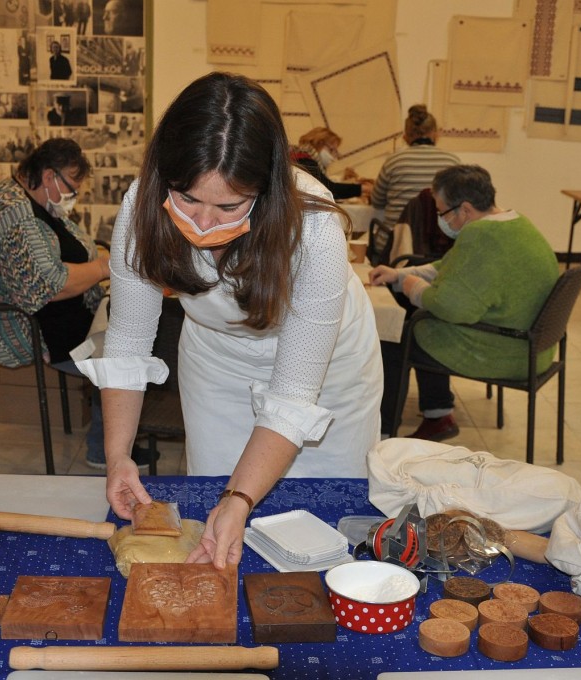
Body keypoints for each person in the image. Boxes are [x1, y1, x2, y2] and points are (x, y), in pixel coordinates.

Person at [78, 72, 383, 569]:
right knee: (215, 505)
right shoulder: (141, 205)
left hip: (327, 370)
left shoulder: (315, 228)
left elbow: (293, 399)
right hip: (217, 358)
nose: (202, 224)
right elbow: (129, 341)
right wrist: (118, 456)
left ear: (265, 190)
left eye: (228, 206)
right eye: (187, 199)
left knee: (322, 519)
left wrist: (241, 498)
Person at [369, 165, 559, 441]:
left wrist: (412, 286)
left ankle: (383, 435)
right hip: (535, 346)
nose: (440, 219)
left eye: (442, 212)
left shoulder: (481, 236)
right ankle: (437, 415)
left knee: (397, 338)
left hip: (508, 352)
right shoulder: (514, 223)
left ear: (465, 209)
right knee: (420, 326)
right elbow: (449, 266)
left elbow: (450, 307)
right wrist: (399, 275)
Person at [0, 138, 110, 466]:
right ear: (48, 177)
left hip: (44, 311)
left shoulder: (32, 199)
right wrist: (102, 268)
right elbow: (51, 286)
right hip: (18, 323)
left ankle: (113, 436)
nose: (74, 196)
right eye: (72, 188)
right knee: (115, 357)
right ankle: (104, 450)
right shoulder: (18, 216)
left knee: (116, 333)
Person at [370, 104, 460, 230]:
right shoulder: (452, 162)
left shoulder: (393, 161)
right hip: (438, 239)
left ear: (406, 136)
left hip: (396, 238)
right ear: (435, 133)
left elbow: (376, 201)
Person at [289, 127, 371, 202]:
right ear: (319, 143)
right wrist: (363, 188)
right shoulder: (304, 160)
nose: (333, 157)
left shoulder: (299, 156)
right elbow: (327, 189)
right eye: (331, 150)